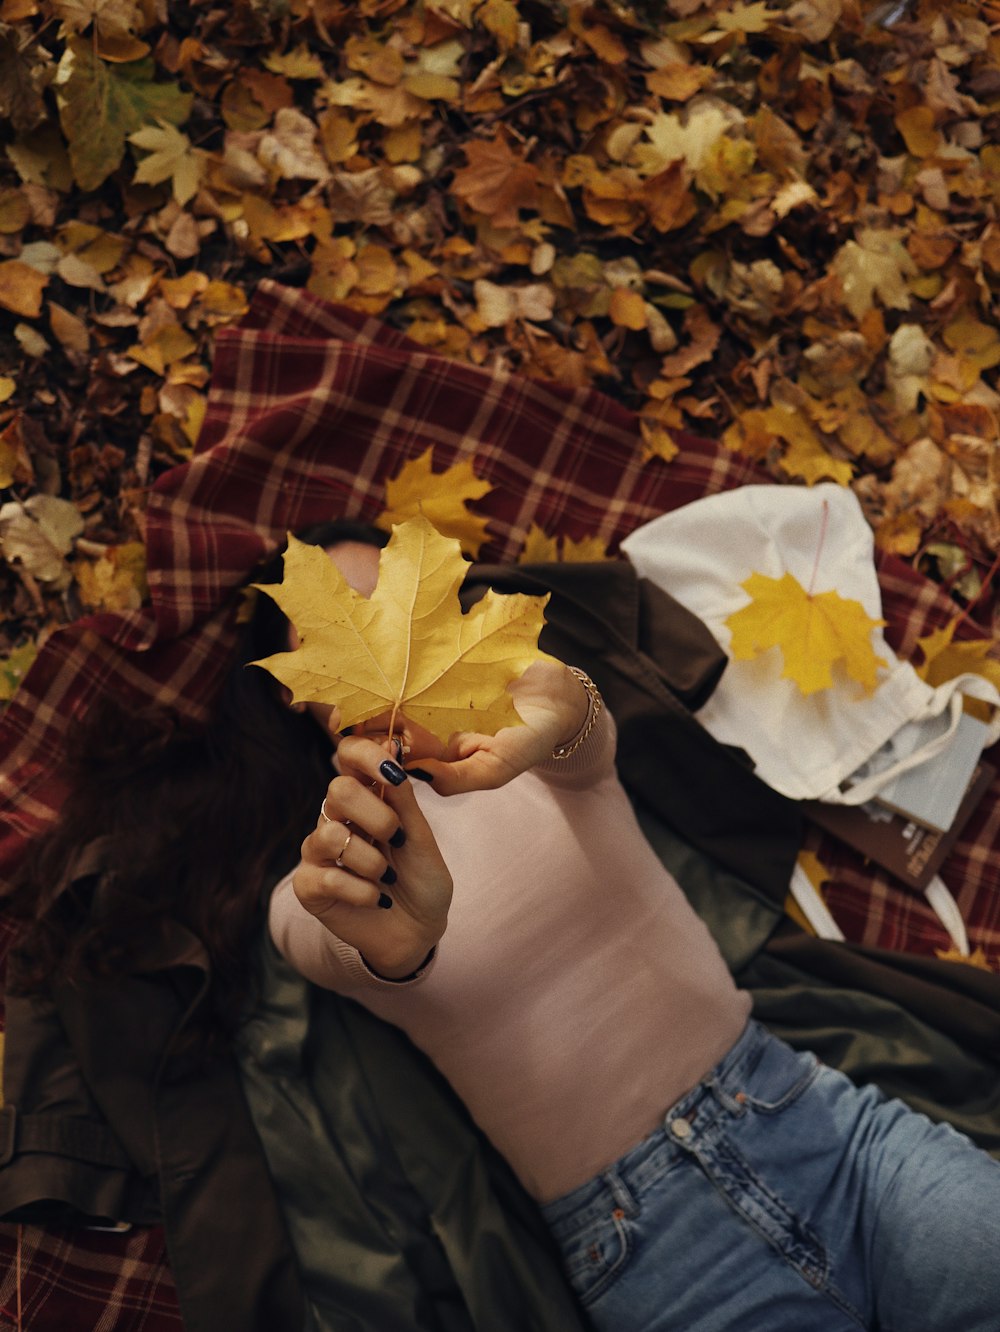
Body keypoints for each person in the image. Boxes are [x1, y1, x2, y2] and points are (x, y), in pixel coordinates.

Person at [270, 533, 1000, 1332]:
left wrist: (566, 705)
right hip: (650, 1246)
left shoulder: (520, 749)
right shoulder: (318, 880)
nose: (374, 634)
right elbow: (337, 941)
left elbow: (582, 733)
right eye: (331, 625)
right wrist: (393, 949)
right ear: (294, 685)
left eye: (386, 605)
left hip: (821, 1128)